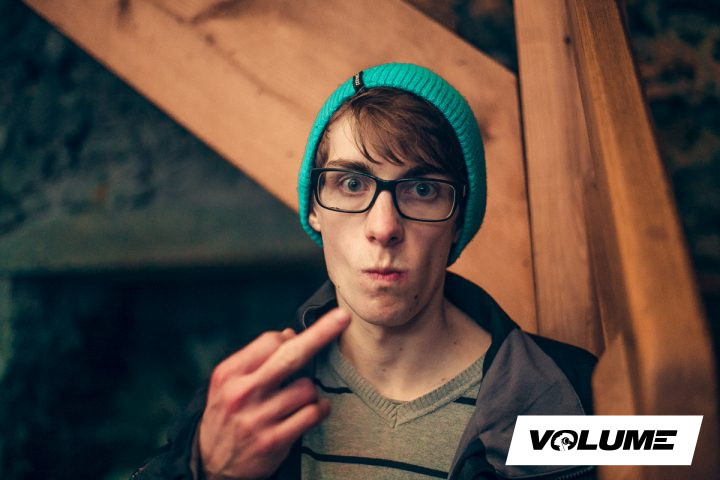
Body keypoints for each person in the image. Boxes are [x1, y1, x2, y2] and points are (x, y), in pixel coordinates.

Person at [131, 63, 596, 480]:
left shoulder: (569, 395)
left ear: (457, 220)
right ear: (314, 209)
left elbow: (644, 452)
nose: (384, 227)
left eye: (422, 189)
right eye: (352, 183)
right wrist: (205, 471)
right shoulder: (248, 394)